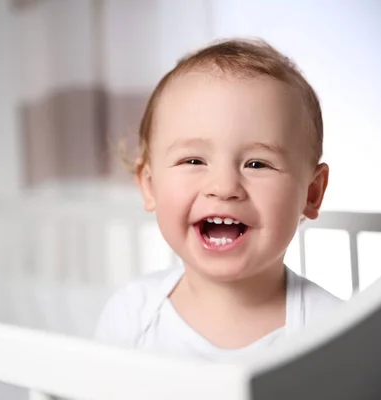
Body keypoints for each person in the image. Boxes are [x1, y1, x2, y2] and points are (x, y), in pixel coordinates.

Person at [93, 38, 344, 362]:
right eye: (194, 161)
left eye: (257, 164)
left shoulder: (335, 332)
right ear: (150, 186)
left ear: (312, 193)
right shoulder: (131, 318)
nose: (224, 187)